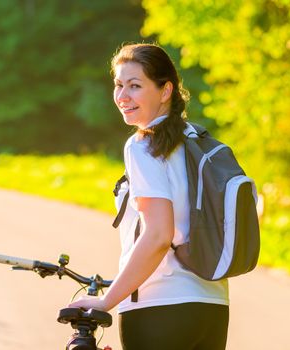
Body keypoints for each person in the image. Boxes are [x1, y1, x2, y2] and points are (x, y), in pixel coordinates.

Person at [67, 43, 230, 350]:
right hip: (212, 306)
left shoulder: (143, 146)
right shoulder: (198, 142)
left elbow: (158, 234)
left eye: (135, 86)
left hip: (159, 306)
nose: (123, 96)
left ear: (165, 90)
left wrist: (107, 299)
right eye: (119, 85)